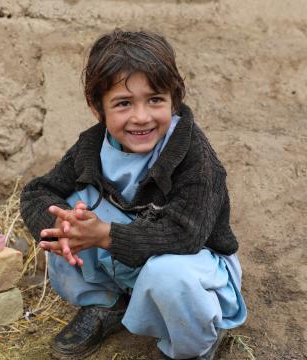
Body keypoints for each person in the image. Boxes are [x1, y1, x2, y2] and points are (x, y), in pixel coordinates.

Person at [20, 30, 247, 360]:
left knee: (167, 276)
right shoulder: (91, 147)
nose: (141, 117)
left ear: (174, 99)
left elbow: (187, 234)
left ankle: (195, 342)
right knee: (66, 212)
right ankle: (104, 305)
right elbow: (36, 192)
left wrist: (106, 235)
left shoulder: (194, 157)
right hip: (129, 259)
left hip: (194, 270)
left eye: (155, 99)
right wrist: (66, 230)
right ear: (98, 108)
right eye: (124, 103)